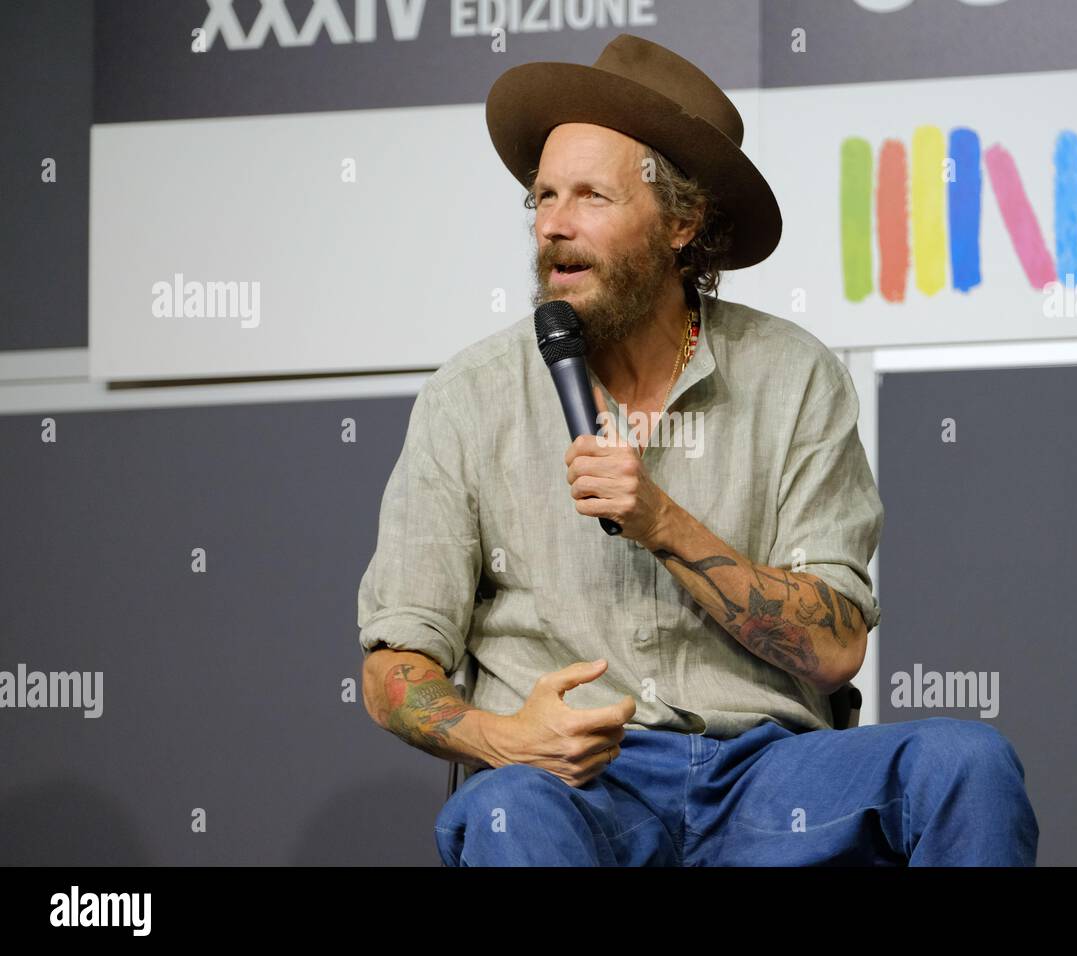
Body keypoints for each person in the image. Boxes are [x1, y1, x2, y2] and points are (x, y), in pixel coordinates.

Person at [357, 33, 1038, 866]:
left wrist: (663, 521)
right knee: (507, 812)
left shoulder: (793, 375)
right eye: (542, 198)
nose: (555, 228)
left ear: (682, 221)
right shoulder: (470, 396)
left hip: (768, 776)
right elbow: (397, 664)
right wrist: (503, 737)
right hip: (577, 789)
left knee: (965, 764)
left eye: (591, 198)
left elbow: (832, 650)